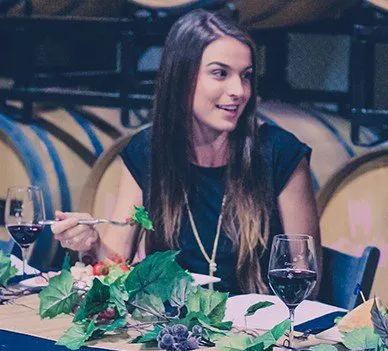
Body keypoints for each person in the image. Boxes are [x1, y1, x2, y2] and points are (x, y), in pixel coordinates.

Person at [51, 10, 322, 295]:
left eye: (246, 76)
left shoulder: (280, 153)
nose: (239, 91)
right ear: (181, 77)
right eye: (220, 73)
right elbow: (116, 261)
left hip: (258, 331)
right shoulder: (148, 151)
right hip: (173, 328)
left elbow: (307, 279)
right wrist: (90, 242)